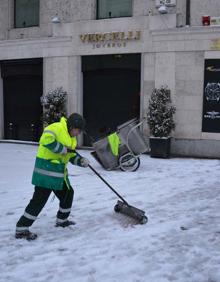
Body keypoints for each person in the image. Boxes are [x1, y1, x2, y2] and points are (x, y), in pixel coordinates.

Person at [15, 113, 90, 240]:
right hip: (46, 172)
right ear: (72, 126)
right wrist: (63, 149)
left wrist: (80, 161)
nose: (78, 134)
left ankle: (62, 220)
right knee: (39, 201)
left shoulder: (71, 138)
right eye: (78, 130)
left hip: (59, 174)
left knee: (68, 194)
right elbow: (45, 139)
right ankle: (21, 229)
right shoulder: (56, 128)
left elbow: (70, 155)